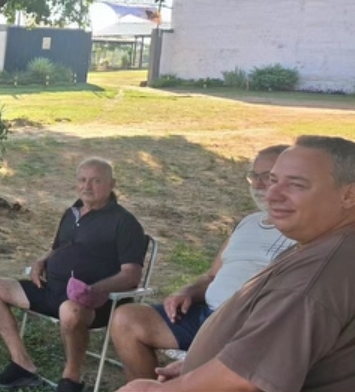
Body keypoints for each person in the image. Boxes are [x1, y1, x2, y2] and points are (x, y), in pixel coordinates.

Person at [118, 136, 355, 392]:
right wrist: (202, 368)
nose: (272, 194)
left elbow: (245, 380)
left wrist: (156, 390)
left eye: (296, 185)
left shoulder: (315, 274)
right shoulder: (323, 246)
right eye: (273, 180)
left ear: (349, 195)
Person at [110, 145, 294, 381]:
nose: (257, 185)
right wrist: (187, 292)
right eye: (253, 176)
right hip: (205, 316)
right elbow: (211, 276)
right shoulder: (247, 223)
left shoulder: (302, 232)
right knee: (126, 319)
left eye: (266, 177)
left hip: (246, 327)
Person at [0, 157, 147, 392]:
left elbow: (131, 275)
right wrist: (42, 261)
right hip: (51, 290)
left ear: (112, 184)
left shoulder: (124, 223)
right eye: (82, 180)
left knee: (71, 310)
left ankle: (71, 379)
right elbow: (59, 248)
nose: (86, 186)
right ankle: (22, 365)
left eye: (96, 181)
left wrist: (95, 290)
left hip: (93, 302)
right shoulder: (72, 213)